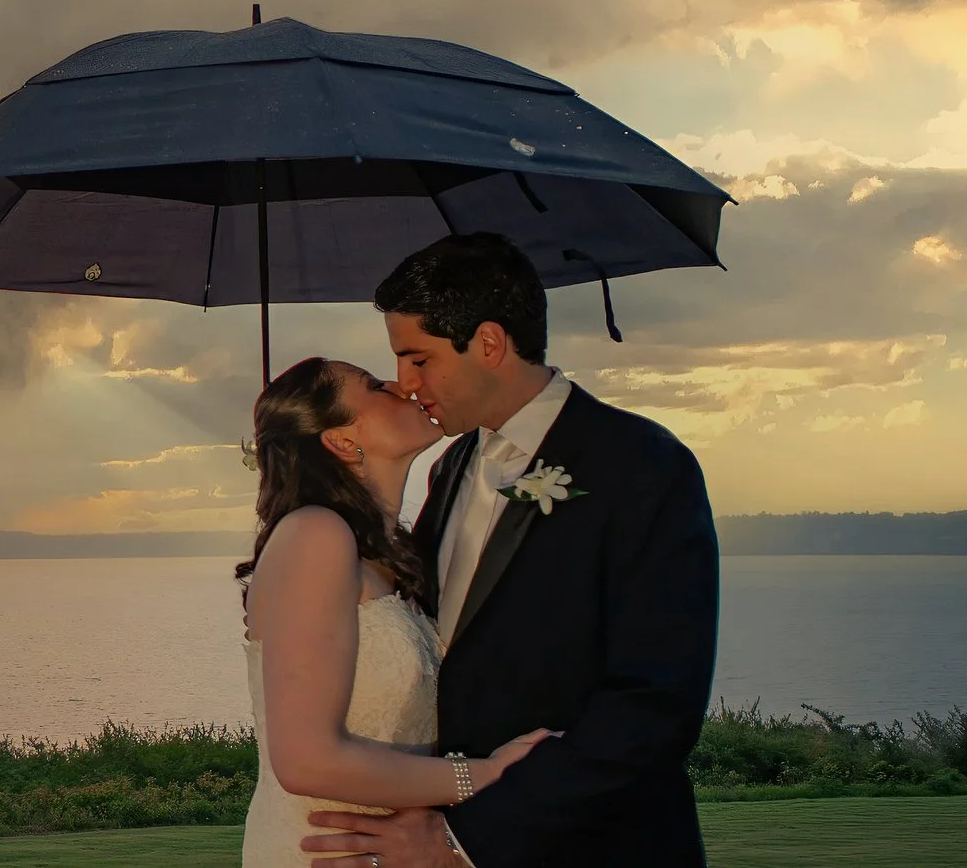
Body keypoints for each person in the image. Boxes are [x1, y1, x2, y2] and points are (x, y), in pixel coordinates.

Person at [301, 232, 720, 868]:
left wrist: (465, 840)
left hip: (594, 847)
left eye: (418, 358)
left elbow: (654, 706)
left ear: (490, 344)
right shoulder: (451, 466)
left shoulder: (644, 466)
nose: (407, 383)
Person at [237, 355, 552, 866]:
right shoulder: (314, 534)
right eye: (375, 386)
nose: (403, 386)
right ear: (341, 440)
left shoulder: (392, 557)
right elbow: (304, 761)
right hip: (322, 854)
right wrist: (486, 775)